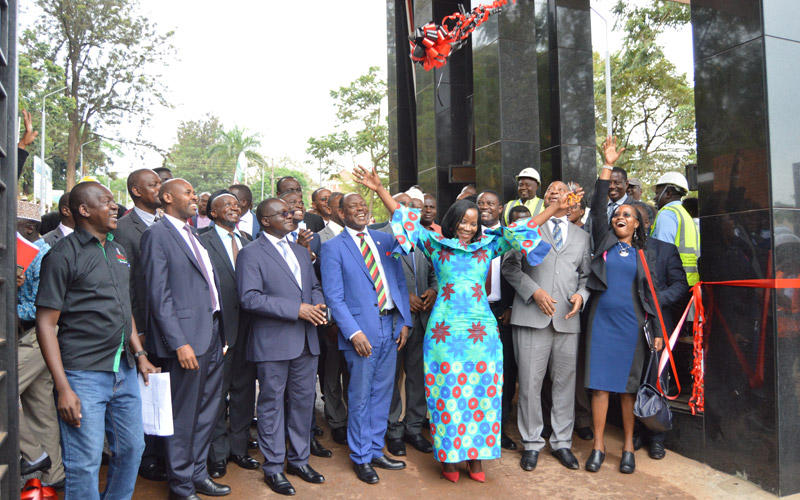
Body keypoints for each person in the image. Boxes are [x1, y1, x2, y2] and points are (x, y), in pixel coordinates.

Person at [354, 165, 571, 483]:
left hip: (482, 333)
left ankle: (476, 459)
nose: (469, 227)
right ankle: (450, 459)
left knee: (483, 394)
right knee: (447, 395)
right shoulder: (436, 245)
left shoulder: (489, 246)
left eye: (474, 222)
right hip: (444, 332)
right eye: (464, 222)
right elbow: (406, 221)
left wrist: (554, 207)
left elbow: (525, 228)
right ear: (453, 222)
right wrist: (380, 190)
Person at [35, 182, 158, 500]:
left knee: (132, 449)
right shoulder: (62, 255)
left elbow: (123, 307)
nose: (114, 205)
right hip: (83, 374)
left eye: (114, 201)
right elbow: (46, 325)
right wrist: (64, 388)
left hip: (125, 370)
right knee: (85, 463)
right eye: (105, 201)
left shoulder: (118, 250)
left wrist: (140, 354)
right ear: (84, 210)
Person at [141, 179, 230, 500]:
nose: (195, 198)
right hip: (186, 344)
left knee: (208, 412)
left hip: (212, 336)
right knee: (182, 416)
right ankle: (180, 486)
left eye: (195, 193)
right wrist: (179, 343)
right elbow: (158, 294)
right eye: (189, 193)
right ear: (167, 198)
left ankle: (197, 474)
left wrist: (219, 332)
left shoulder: (193, 234)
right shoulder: (157, 235)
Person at [583, 137, 664, 475]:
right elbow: (601, 198)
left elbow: (653, 300)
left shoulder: (645, 256)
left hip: (631, 329)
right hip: (600, 325)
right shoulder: (603, 241)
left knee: (629, 390)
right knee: (600, 387)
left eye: (627, 214)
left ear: (637, 224)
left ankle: (628, 446)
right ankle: (599, 446)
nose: (620, 216)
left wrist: (658, 332)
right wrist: (606, 163)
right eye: (617, 213)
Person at [319, 191, 412, 485]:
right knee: (359, 397)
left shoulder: (386, 241)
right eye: (352, 207)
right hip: (361, 333)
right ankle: (360, 457)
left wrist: (405, 321)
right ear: (342, 214)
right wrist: (353, 332)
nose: (360, 210)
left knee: (383, 393)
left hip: (391, 326)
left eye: (363, 205)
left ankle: (374, 450)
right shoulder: (333, 248)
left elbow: (398, 282)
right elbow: (333, 297)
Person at [237, 197, 327, 496]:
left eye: (291, 213)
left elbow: (313, 286)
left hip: (306, 340)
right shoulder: (251, 253)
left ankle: (299, 461)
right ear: (265, 220)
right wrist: (297, 309)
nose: (292, 216)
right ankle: (273, 467)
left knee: (304, 404)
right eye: (284, 213)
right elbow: (249, 298)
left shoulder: (300, 251)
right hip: (273, 343)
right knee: (272, 406)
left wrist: (317, 303)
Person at [501, 181, 591, 472]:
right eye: (550, 191)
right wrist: (534, 292)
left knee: (564, 385)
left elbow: (586, 276)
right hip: (530, 316)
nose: (555, 194)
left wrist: (582, 295)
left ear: (571, 198)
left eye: (561, 191)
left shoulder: (581, 236)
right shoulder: (529, 228)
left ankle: (562, 442)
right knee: (529, 384)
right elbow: (509, 267)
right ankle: (531, 443)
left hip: (566, 319)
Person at [111, 168, 167, 482]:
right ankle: (145, 458)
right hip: (141, 326)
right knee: (143, 392)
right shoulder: (122, 229)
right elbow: (126, 285)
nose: (159, 188)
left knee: (162, 388)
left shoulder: (164, 224)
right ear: (135, 191)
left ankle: (162, 451)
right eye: (153, 184)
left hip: (167, 325)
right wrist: (138, 331)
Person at [199, 190, 259, 478]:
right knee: (216, 395)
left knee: (244, 393)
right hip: (219, 332)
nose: (234, 208)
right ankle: (218, 455)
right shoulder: (201, 243)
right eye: (226, 205)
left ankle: (239, 450)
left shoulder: (248, 242)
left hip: (249, 331)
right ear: (212, 213)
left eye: (236, 205)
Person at [375, 193, 437, 457]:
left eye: (416, 206)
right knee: (390, 378)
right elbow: (375, 277)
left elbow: (437, 270)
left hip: (423, 318)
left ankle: (413, 428)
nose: (411, 209)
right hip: (393, 320)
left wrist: (433, 290)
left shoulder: (425, 237)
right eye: (405, 205)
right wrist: (402, 299)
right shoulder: (379, 237)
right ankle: (394, 430)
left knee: (417, 377)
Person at [629, 201, 689, 460]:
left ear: (647, 223)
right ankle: (635, 431)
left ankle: (657, 437)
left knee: (656, 380)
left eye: (636, 218)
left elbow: (680, 286)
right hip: (628, 325)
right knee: (632, 380)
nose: (631, 221)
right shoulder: (622, 250)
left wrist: (653, 300)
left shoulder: (665, 250)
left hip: (658, 325)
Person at [16, 201, 66, 488]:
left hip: (38, 334)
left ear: (30, 228)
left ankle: (34, 455)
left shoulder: (46, 257)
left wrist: (13, 290)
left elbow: (43, 308)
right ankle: (54, 476)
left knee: (4, 389)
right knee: (40, 405)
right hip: (36, 336)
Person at [477, 189, 518, 451]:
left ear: (500, 208)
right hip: (474, 316)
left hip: (504, 314)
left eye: (490, 203)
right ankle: (477, 426)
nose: (485, 207)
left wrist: (513, 305)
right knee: (477, 372)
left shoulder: (510, 236)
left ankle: (499, 430)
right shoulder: (467, 237)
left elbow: (522, 271)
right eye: (480, 203)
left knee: (504, 373)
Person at [316, 192, 349, 446]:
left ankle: (352, 417)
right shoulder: (320, 239)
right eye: (342, 207)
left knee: (352, 371)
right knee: (332, 371)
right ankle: (336, 420)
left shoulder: (364, 237)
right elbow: (317, 282)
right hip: (332, 320)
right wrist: (329, 320)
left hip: (359, 318)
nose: (345, 212)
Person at [651, 171, 700, 286]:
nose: (655, 197)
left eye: (657, 193)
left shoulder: (667, 214)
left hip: (673, 282)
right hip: (690, 280)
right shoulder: (684, 213)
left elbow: (663, 253)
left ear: (668, 194)